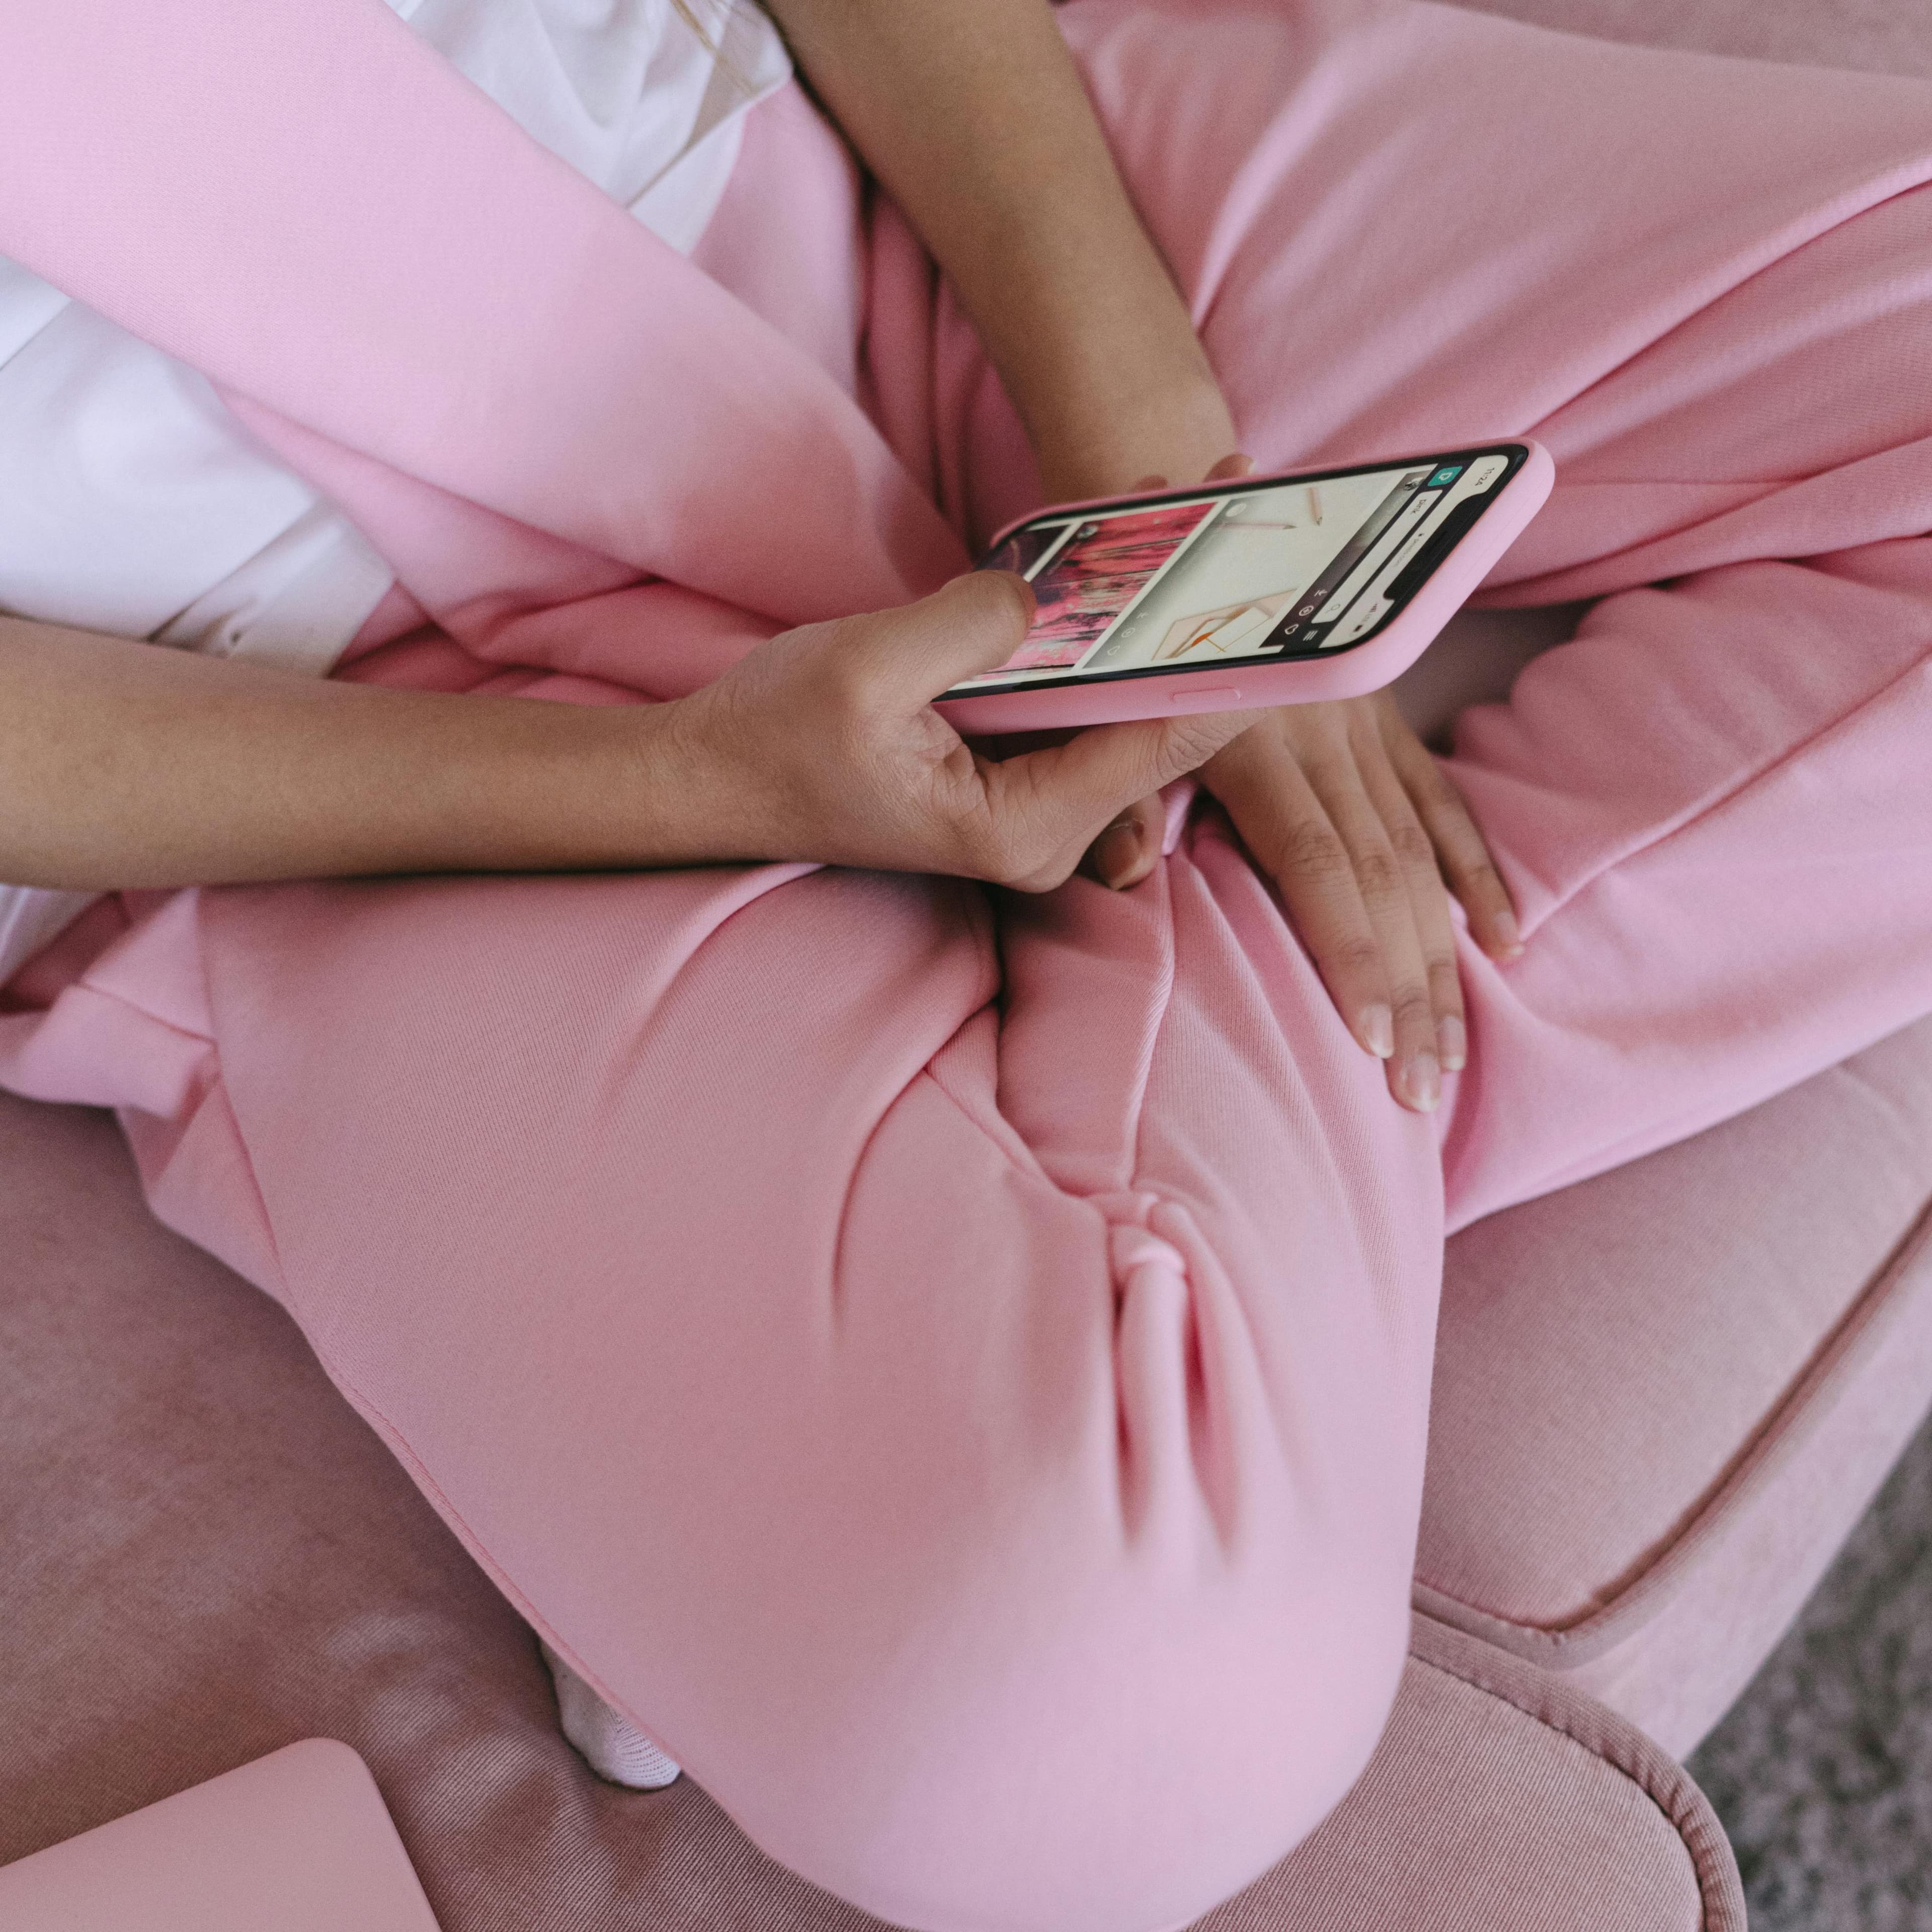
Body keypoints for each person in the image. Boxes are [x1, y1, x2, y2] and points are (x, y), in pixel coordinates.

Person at [1, 0, 1929, 1926]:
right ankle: (1223, 937)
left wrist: (1170, 481)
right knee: (1089, 1741)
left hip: (837, 180)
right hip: (325, 757)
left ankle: (1152, 1014)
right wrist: (687, 782)